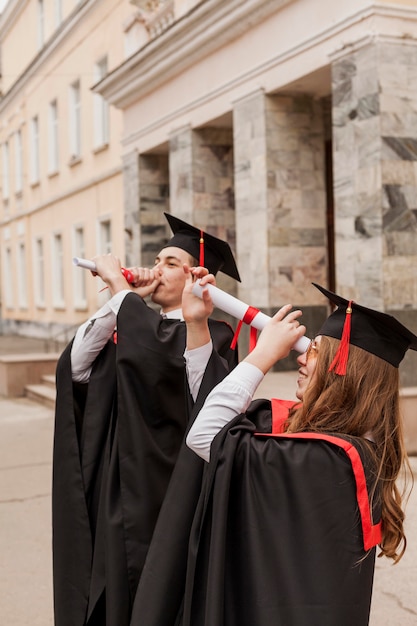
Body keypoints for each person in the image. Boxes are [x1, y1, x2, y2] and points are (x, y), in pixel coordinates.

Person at [180, 280, 416, 626]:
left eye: (316, 351)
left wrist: (263, 354)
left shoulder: (326, 459)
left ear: (343, 371)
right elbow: (216, 417)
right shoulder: (342, 445)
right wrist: (197, 325)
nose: (301, 358)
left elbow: (206, 436)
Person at [52, 213, 240, 626]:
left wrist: (123, 293)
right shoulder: (130, 323)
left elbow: (163, 369)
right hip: (115, 484)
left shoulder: (215, 336)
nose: (155, 268)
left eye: (171, 263)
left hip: (165, 491)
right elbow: (76, 368)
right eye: (157, 258)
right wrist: (120, 302)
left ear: (197, 277)